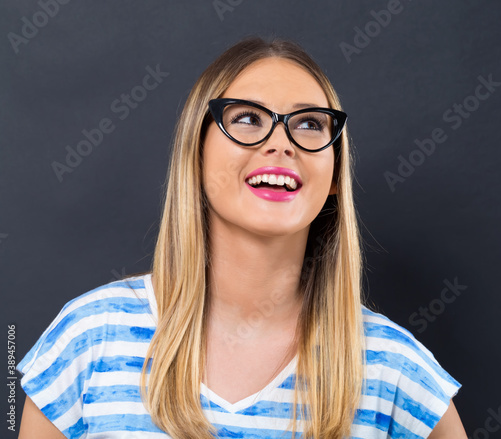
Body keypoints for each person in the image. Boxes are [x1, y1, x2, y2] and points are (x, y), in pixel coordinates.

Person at [16, 35, 466, 438]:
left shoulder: (392, 365)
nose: (281, 143)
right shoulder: (91, 337)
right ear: (196, 153)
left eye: (310, 123)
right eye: (248, 118)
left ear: (334, 174)